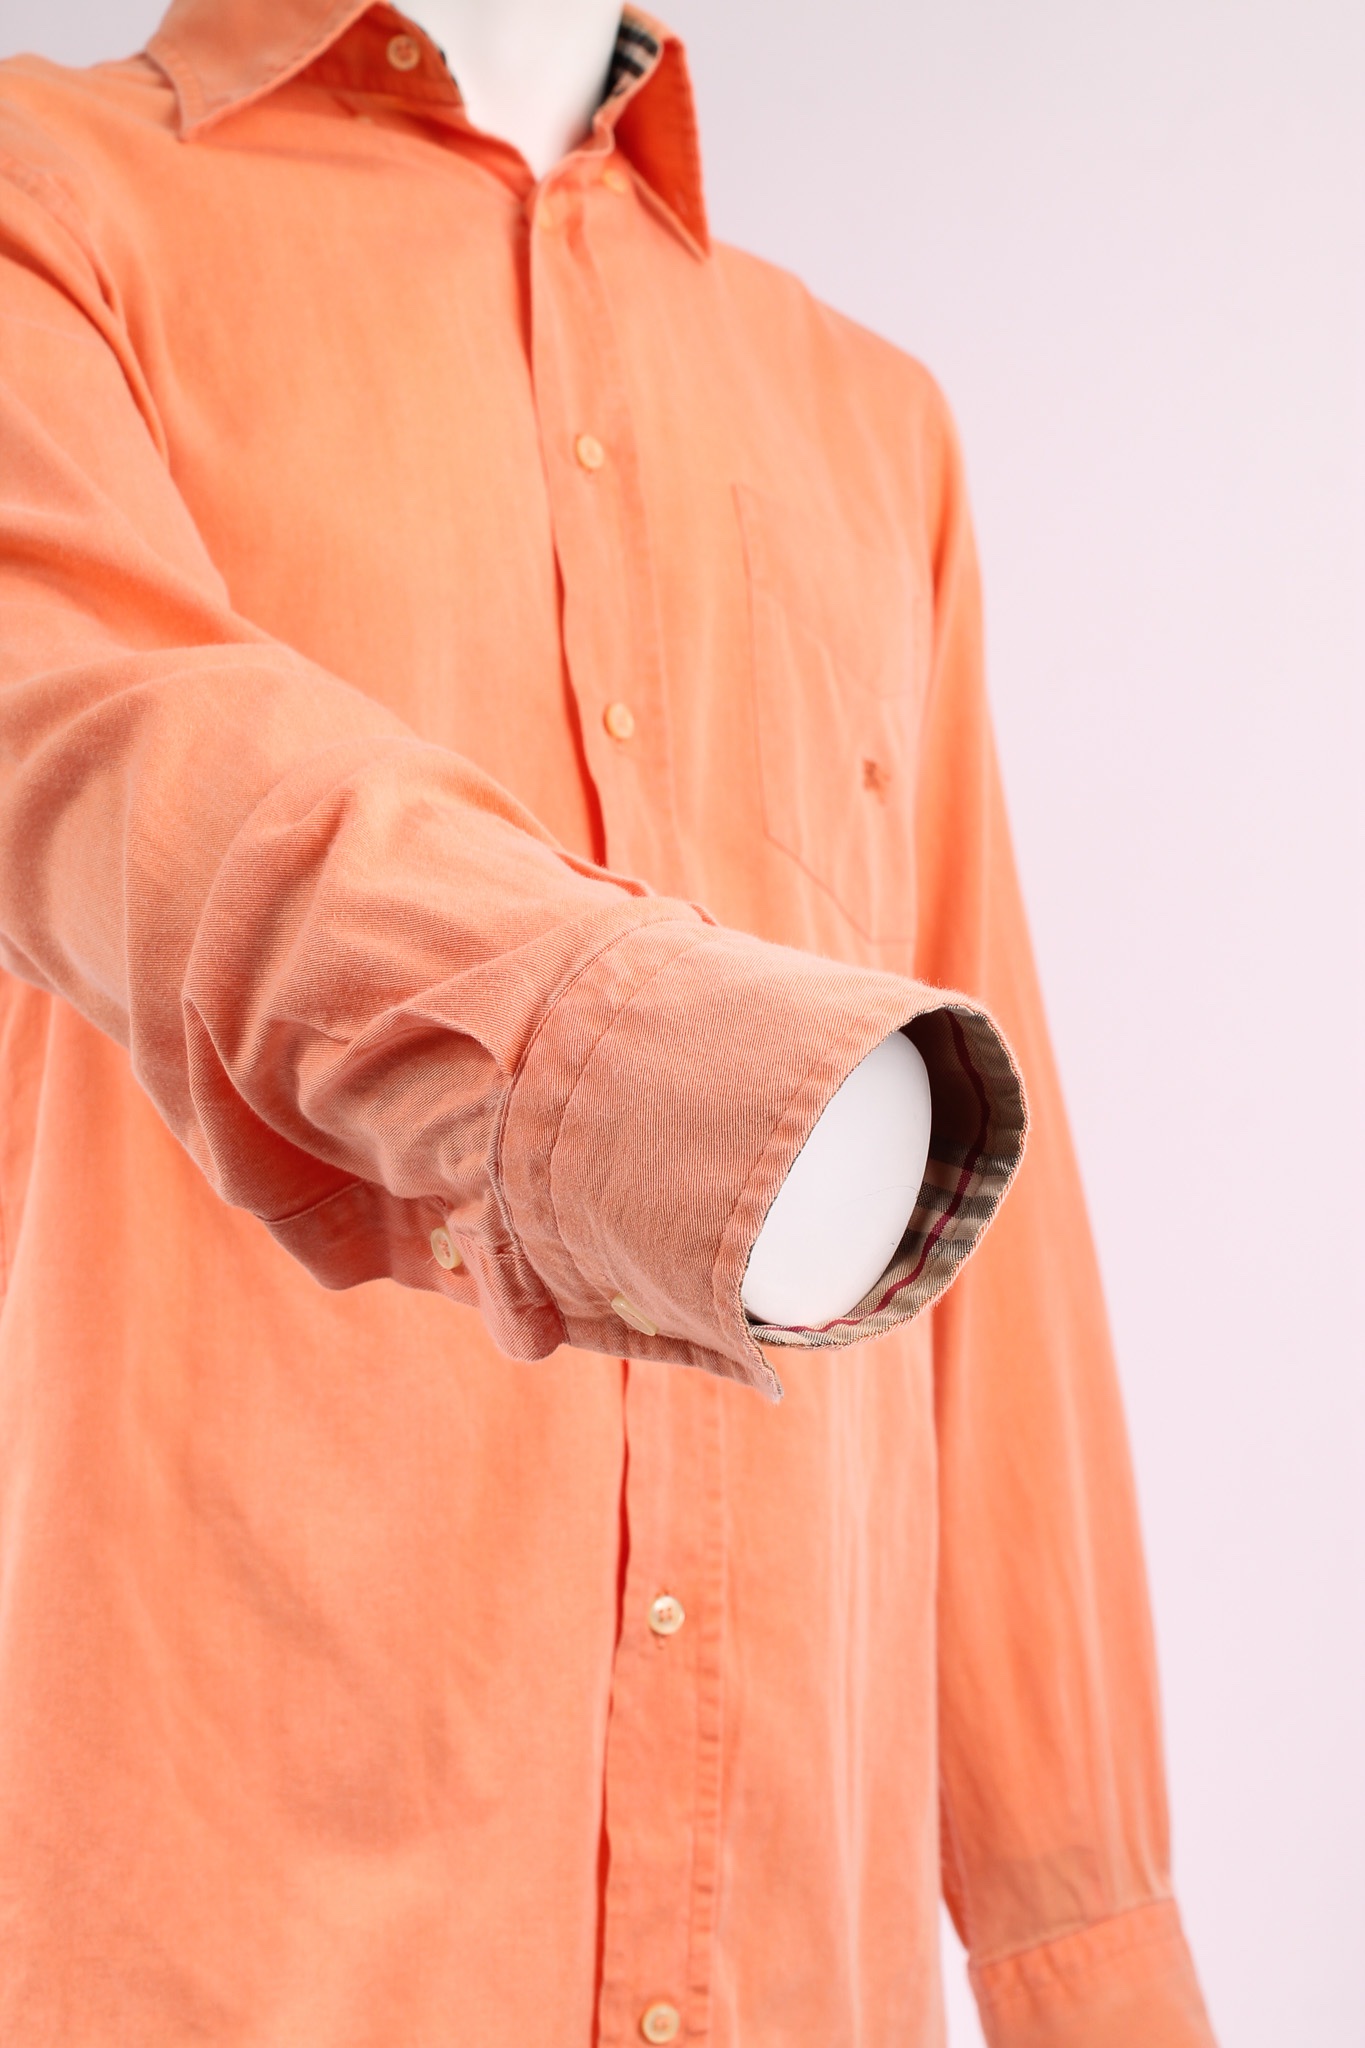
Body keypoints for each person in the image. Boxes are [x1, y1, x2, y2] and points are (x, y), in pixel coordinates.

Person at [0, 2, 1215, 2042]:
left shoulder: (869, 422)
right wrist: (667, 1093)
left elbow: (993, 1283)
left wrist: (1084, 1962)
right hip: (242, 1953)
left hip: (783, 1966)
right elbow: (104, 752)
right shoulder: (51, 213)